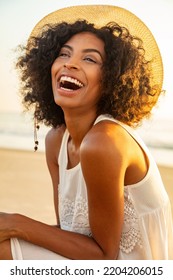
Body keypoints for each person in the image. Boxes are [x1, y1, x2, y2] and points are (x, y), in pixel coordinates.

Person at [0, 4, 172, 260]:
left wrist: (17, 223)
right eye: (63, 54)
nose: (71, 64)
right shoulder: (57, 140)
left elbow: (104, 256)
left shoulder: (104, 141)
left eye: (89, 59)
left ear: (113, 79)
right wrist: (14, 228)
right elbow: (70, 236)